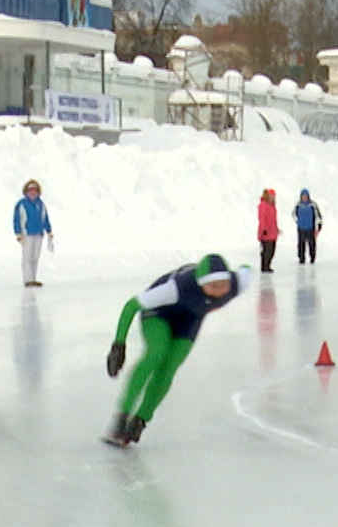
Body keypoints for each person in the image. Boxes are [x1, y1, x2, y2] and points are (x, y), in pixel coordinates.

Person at [101, 253, 244, 447]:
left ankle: (140, 420)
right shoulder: (176, 288)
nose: (220, 291)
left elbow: (247, 269)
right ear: (201, 283)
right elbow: (131, 306)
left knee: (169, 367)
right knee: (156, 353)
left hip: (188, 322)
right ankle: (121, 416)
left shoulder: (237, 282)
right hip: (159, 314)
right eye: (213, 285)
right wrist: (118, 345)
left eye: (223, 284)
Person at [13, 179, 54, 286]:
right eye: (30, 190)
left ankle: (33, 278)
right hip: (27, 234)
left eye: (35, 190)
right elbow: (17, 219)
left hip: (38, 234)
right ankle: (27, 279)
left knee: (35, 257)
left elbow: (45, 218)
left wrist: (48, 230)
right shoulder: (22, 204)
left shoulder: (40, 204)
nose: (33, 192)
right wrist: (19, 234)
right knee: (27, 256)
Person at [292, 189, 322, 264]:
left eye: (305, 196)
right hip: (301, 228)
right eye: (303, 196)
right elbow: (293, 214)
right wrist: (297, 221)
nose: (304, 197)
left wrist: (319, 225)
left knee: (311, 244)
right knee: (301, 244)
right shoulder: (298, 205)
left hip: (310, 227)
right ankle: (301, 258)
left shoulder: (313, 205)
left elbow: (318, 215)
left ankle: (312, 257)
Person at [257, 189, 279, 272]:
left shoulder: (272, 206)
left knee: (271, 251)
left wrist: (276, 229)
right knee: (266, 251)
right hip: (266, 232)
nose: (272, 198)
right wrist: (263, 229)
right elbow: (262, 218)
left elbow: (274, 220)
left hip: (272, 232)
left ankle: (267, 265)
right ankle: (265, 266)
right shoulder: (263, 205)